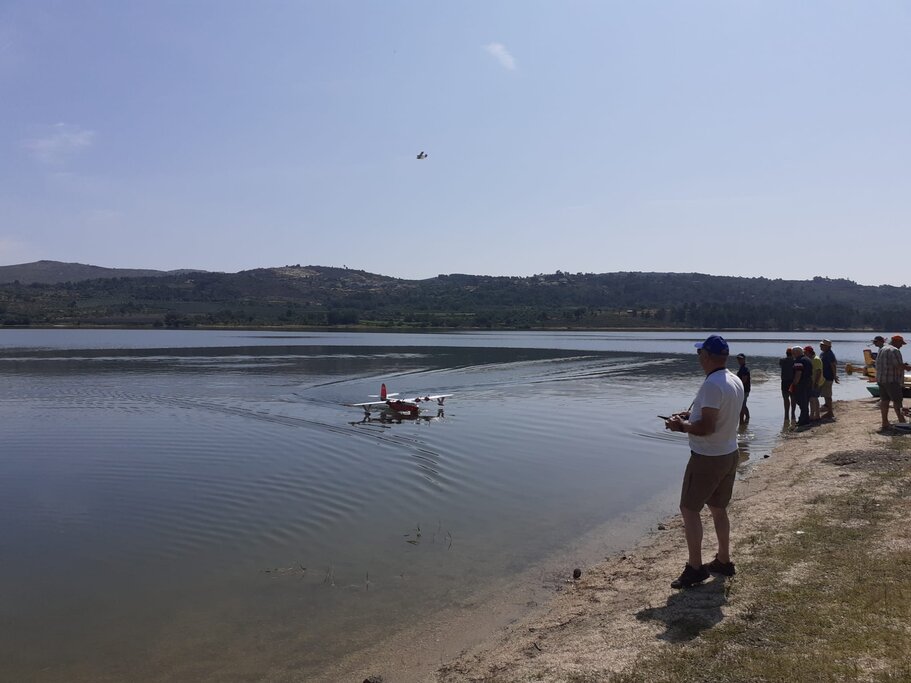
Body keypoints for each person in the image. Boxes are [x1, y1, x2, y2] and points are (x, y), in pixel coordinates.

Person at [664, 334, 744, 589]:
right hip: (729, 453)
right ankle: (723, 560)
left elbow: (707, 427)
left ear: (707, 356)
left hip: (708, 458)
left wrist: (681, 426)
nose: (698, 357)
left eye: (700, 353)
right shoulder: (734, 379)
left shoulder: (712, 385)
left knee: (689, 510)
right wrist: (691, 414)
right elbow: (720, 415)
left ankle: (696, 568)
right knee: (719, 510)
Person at [875, 335, 910, 430]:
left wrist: (903, 365)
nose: (901, 346)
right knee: (898, 401)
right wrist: (908, 367)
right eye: (901, 343)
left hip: (881, 379)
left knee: (884, 401)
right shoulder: (894, 350)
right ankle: (902, 421)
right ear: (896, 342)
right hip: (892, 380)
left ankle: (885, 422)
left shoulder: (882, 349)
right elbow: (898, 366)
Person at [789, 346, 813, 427]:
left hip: (801, 384)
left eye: (793, 353)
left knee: (801, 402)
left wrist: (794, 383)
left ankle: (803, 421)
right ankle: (805, 419)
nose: (792, 354)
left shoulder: (799, 360)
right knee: (805, 402)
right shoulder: (807, 359)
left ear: (796, 352)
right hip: (808, 383)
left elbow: (798, 373)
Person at [819, 339, 839, 420]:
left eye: (822, 345)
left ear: (827, 346)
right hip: (823, 377)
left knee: (827, 394)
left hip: (828, 377)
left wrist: (834, 376)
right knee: (825, 394)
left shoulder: (830, 354)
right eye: (821, 345)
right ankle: (827, 408)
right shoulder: (823, 353)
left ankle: (830, 412)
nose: (820, 346)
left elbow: (833, 365)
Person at [804, 345, 822, 422]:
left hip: (816, 382)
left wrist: (816, 382)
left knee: (813, 398)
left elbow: (819, 371)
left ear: (809, 352)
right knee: (813, 398)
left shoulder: (816, 359)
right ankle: (814, 415)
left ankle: (815, 415)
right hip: (812, 382)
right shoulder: (811, 359)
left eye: (805, 352)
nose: (804, 353)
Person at [779, 348, 796, 421]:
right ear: (792, 354)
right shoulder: (795, 361)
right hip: (792, 382)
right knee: (793, 398)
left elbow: (780, 365)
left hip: (784, 382)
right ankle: (793, 414)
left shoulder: (782, 360)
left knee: (786, 399)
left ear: (786, 353)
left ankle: (786, 415)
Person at [736, 353, 751, 425]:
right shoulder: (741, 368)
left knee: (741, 406)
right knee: (743, 405)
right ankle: (747, 418)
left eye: (741, 359)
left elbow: (744, 380)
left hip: (744, 390)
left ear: (744, 359)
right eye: (738, 359)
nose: (739, 360)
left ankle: (741, 422)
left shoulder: (745, 369)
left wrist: (737, 386)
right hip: (742, 390)